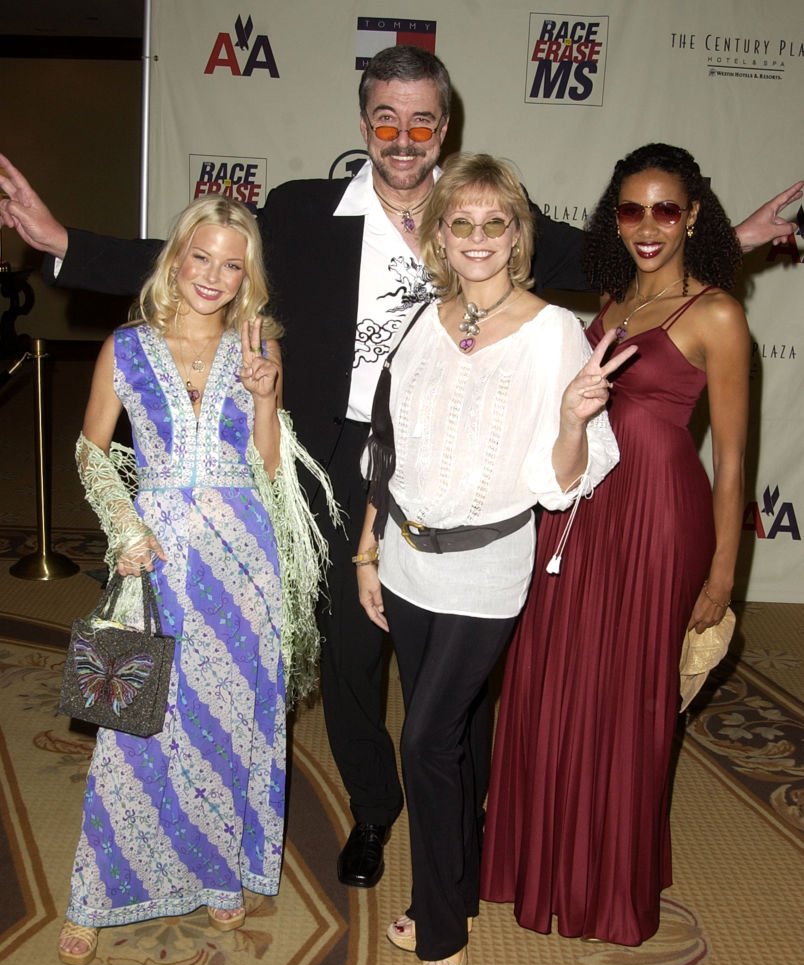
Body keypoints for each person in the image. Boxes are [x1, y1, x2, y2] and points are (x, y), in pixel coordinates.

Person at [0, 47, 800, 891]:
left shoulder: (485, 214)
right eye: (388, 119)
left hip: (466, 468)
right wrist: (62, 243)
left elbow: (622, 257)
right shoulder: (307, 213)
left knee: (465, 658)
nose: (405, 137)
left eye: (423, 121)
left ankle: (470, 813)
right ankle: (375, 809)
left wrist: (730, 239)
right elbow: (199, 257)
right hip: (343, 460)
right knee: (350, 657)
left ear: (444, 128)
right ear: (365, 127)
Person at [355, 153, 634, 965]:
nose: (477, 238)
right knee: (447, 743)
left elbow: (566, 478)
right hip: (404, 561)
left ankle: (439, 920)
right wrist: (369, 550)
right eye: (461, 222)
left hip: (487, 570)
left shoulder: (553, 332)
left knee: (429, 738)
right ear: (440, 234)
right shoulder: (424, 319)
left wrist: (578, 416)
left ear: (519, 236)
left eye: (495, 223)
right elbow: (385, 446)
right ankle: (460, 884)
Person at [480, 143, 750, 947]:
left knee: (629, 699)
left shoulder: (717, 315)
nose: (647, 226)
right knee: (553, 681)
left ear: (693, 215)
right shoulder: (608, 302)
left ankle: (609, 882)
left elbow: (734, 461)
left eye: (666, 209)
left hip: (657, 522)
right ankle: (544, 861)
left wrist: (722, 576)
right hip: (578, 515)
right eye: (631, 209)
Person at [57, 195, 333, 965]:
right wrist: (124, 525)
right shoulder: (128, 345)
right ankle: (99, 893)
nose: (213, 276)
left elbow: (274, 473)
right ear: (176, 257)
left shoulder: (260, 345)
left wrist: (269, 397)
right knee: (137, 722)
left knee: (226, 723)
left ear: (250, 275)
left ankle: (217, 872)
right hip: (158, 558)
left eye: (232, 264)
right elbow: (90, 450)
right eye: (201, 257)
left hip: (243, 564)